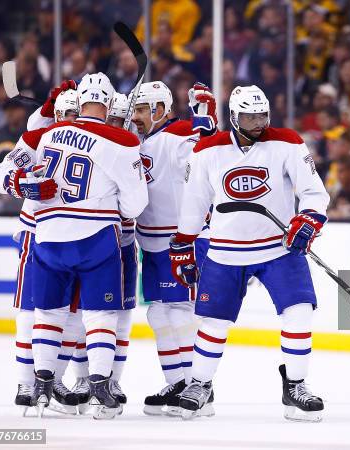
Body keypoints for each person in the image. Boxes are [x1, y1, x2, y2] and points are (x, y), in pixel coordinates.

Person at [170, 85, 329, 422]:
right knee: (214, 322)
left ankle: (296, 386)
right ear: (233, 117)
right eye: (249, 116)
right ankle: (201, 385)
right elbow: (194, 202)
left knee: (299, 312)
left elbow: (314, 191)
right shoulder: (209, 150)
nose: (258, 122)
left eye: (262, 115)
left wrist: (309, 218)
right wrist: (184, 242)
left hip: (278, 248)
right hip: (225, 251)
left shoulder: (286, 142)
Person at [28, 72, 148, 419]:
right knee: (100, 314)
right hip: (95, 238)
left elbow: (17, 175)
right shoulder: (121, 140)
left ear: (78, 103)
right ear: (110, 104)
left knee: (48, 314)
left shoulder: (48, 133)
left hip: (48, 234)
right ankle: (98, 385)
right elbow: (135, 205)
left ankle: (41, 383)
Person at [0, 80, 81, 415]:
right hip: (37, 234)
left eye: (79, 112)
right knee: (30, 310)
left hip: (81, 237)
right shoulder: (37, 139)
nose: (74, 118)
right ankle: (27, 382)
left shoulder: (97, 142)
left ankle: (51, 379)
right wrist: (22, 183)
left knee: (74, 314)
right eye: (68, 113)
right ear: (56, 115)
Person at [130, 80, 216, 416]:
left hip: (181, 241)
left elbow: (204, 149)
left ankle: (202, 390)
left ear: (160, 110)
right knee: (159, 314)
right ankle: (178, 383)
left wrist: (204, 119)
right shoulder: (139, 142)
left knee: (182, 314)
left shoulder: (178, 133)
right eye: (135, 109)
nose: (135, 116)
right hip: (150, 244)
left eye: (141, 110)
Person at [69, 91, 139, 415]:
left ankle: (111, 382)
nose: (111, 124)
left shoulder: (130, 145)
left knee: (117, 318)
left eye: (117, 120)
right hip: (93, 239)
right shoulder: (97, 142)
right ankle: (84, 378)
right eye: (110, 118)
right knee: (82, 316)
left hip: (121, 244)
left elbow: (138, 199)